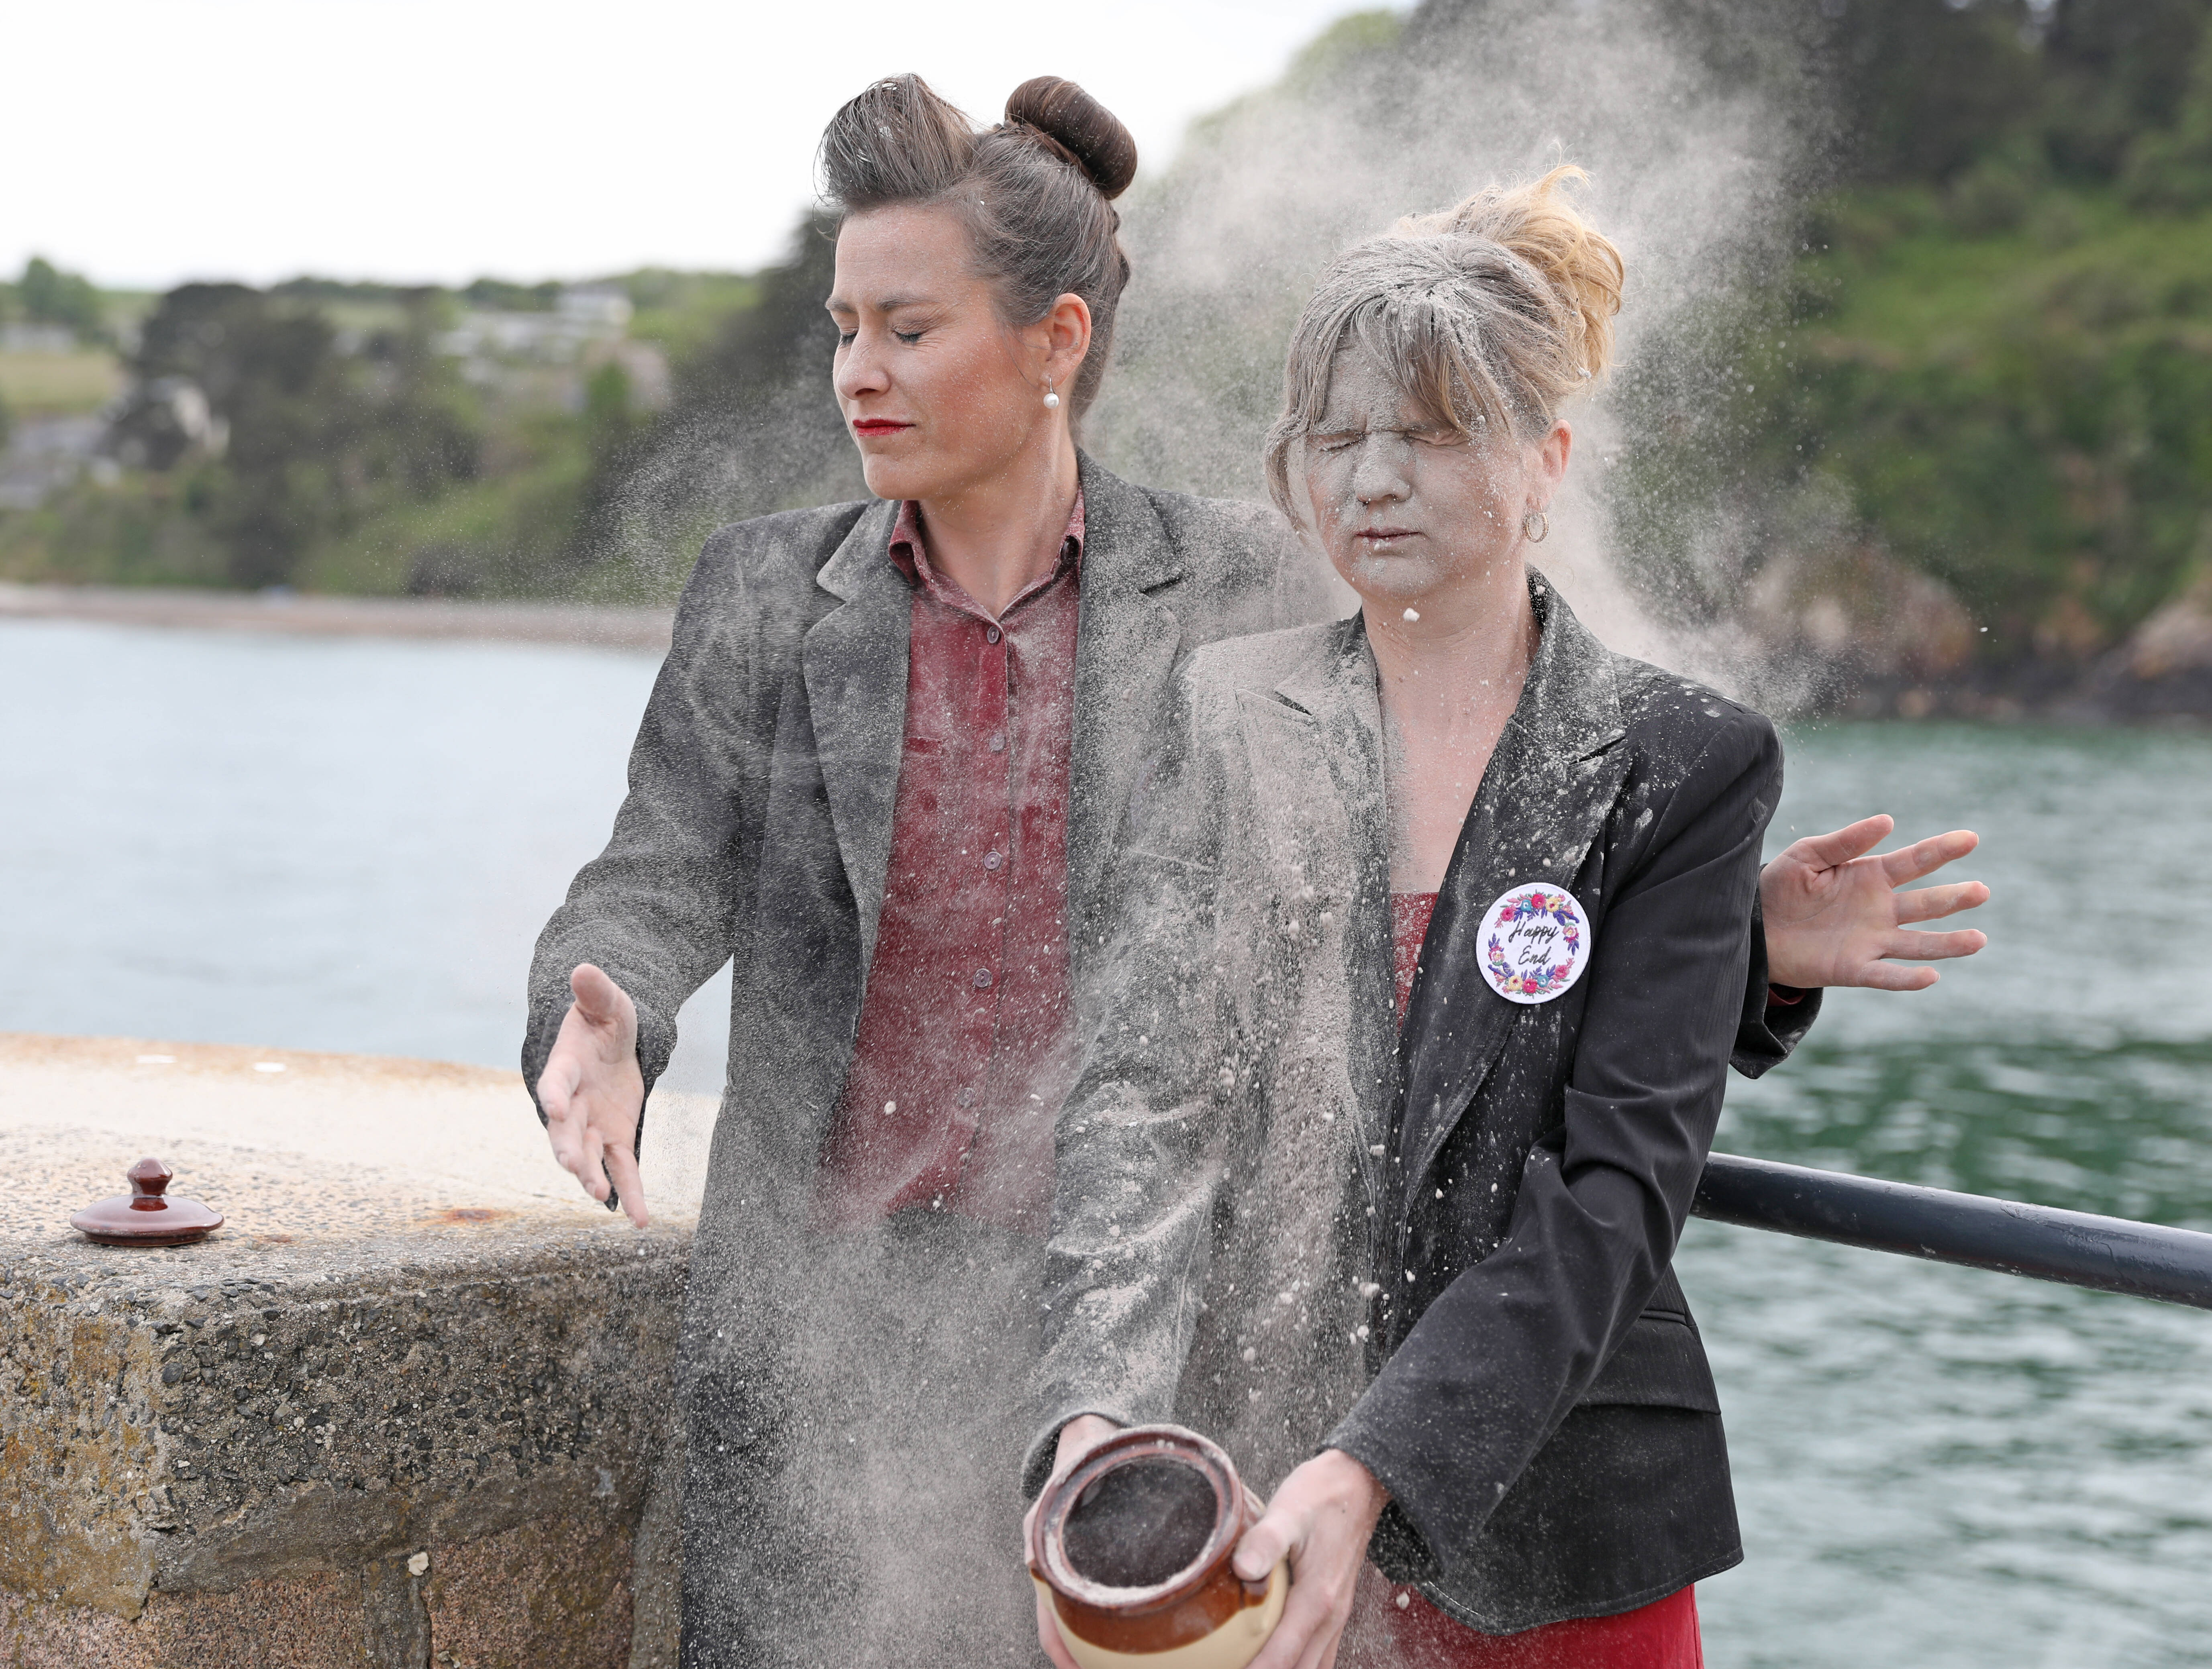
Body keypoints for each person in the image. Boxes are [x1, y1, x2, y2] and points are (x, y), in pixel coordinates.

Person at [523, 77, 1985, 1668]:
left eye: (908, 327)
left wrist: (1723, 950)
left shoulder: (1240, 583)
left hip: (1194, 1371)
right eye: (844, 328)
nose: (858, 369)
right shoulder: (772, 593)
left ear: (1058, 340)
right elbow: (660, 866)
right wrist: (608, 1012)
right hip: (867, 1317)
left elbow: (1489, 848)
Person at [1027, 169, 1964, 1669]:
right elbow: (1143, 1096)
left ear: (1544, 462)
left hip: (1556, 1530)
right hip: (1244, 1497)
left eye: (1433, 431)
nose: (1371, 480)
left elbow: (1614, 1187)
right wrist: (1094, 1419)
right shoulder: (1220, 711)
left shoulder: (1678, 761)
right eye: (1334, 436)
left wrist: (1373, 1465)